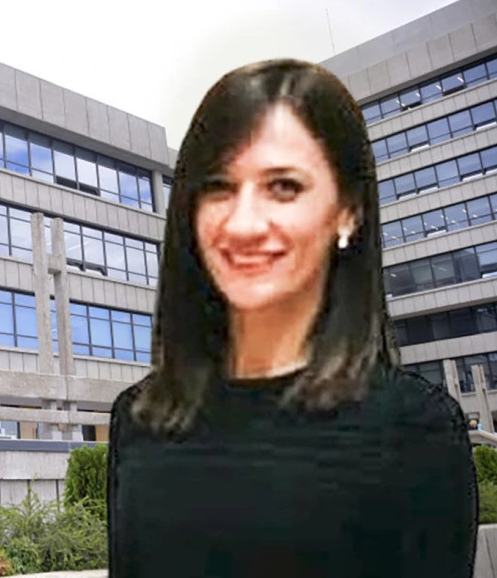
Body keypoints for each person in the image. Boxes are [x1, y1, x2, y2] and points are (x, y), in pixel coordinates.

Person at [108, 59, 477, 578]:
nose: (243, 224)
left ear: (348, 211)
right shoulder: (139, 418)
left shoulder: (417, 429)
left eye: (283, 187)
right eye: (218, 187)